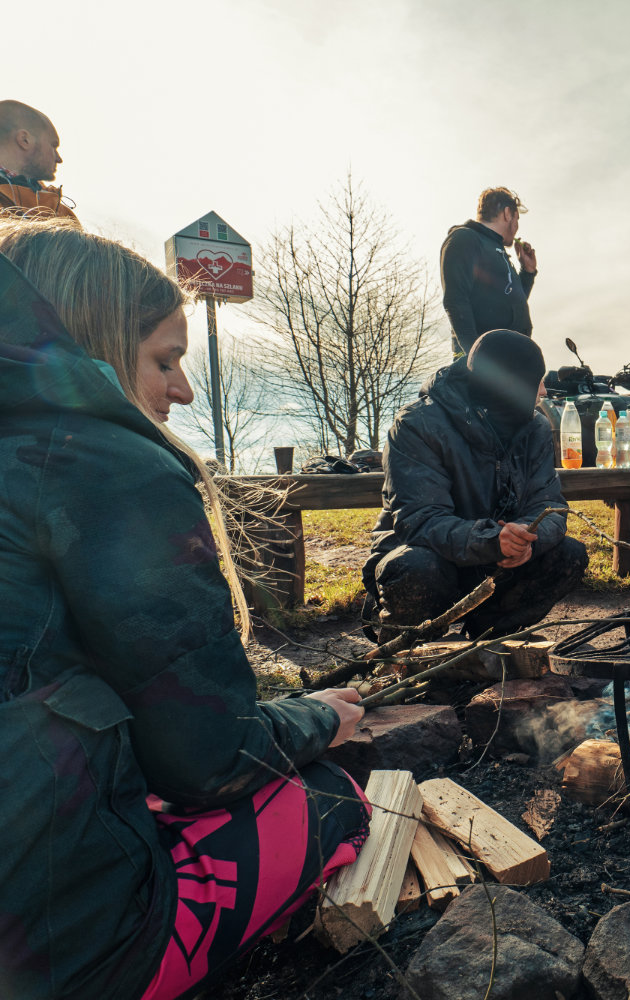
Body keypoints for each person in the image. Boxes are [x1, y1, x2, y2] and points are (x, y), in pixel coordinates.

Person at [0, 218, 369, 1000]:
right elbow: (208, 762)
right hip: (61, 959)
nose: (184, 390)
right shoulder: (105, 464)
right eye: (165, 360)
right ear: (96, 343)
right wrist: (317, 720)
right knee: (333, 797)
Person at [364, 328, 587, 641]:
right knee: (417, 566)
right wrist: (492, 539)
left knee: (569, 554)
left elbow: (549, 506)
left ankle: (492, 640)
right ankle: (407, 651)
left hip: (495, 562)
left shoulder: (534, 427)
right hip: (433, 560)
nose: (544, 392)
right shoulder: (417, 425)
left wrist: (525, 538)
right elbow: (420, 521)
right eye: (536, 380)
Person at [440, 186, 537, 355]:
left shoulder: (498, 252)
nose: (516, 226)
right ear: (507, 213)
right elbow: (455, 300)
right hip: (482, 368)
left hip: (512, 363)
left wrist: (527, 272)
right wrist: (476, 359)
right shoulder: (465, 238)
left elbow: (512, 303)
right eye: (517, 218)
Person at [0, 100, 76, 222]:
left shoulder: (58, 211)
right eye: (53, 146)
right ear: (24, 140)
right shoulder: (60, 216)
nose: (59, 159)